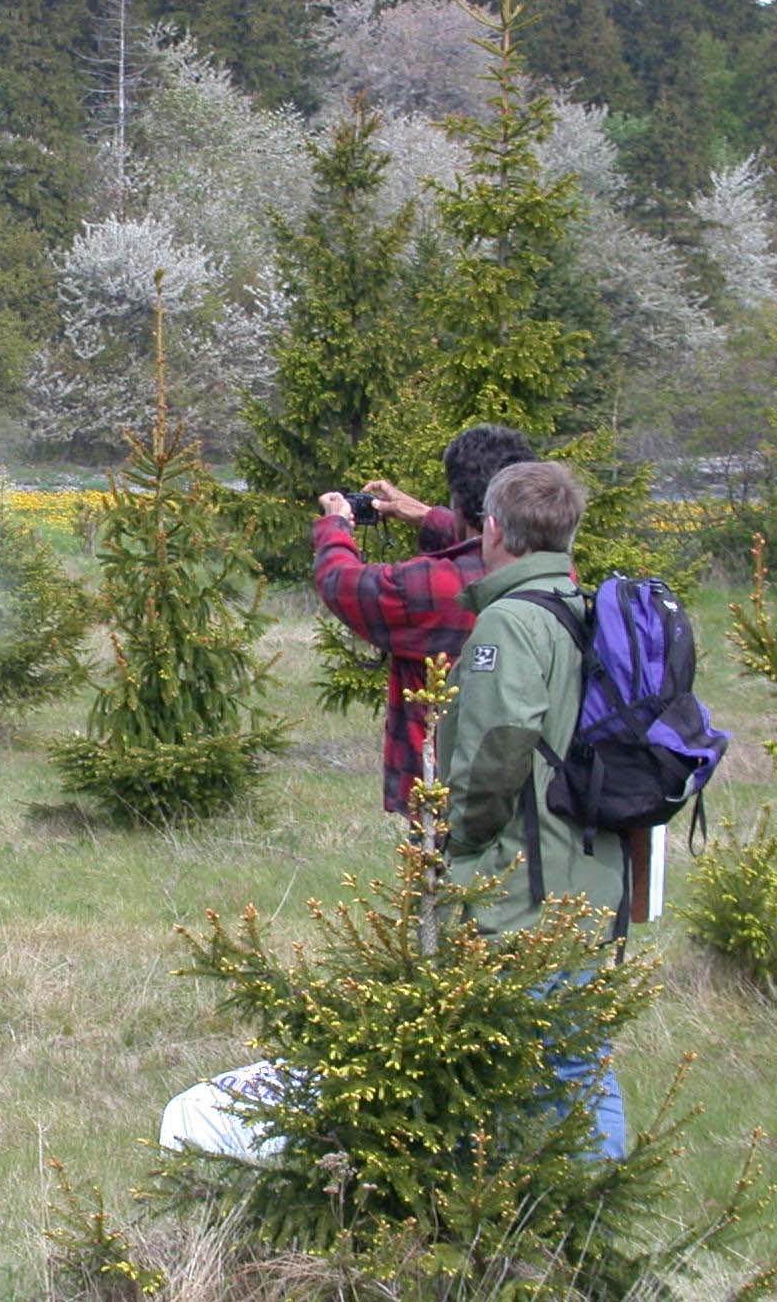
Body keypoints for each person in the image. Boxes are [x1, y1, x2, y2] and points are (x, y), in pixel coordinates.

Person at [434, 460, 626, 1159]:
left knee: (531, 1070)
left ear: (491, 529)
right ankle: (593, 1236)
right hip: (594, 881)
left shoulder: (509, 623)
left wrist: (459, 853)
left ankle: (556, 1231)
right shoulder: (585, 609)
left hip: (524, 892)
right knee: (579, 1067)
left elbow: (496, 754)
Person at [312, 424, 538, 818]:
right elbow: (487, 536)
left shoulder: (437, 585)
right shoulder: (550, 569)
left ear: (460, 499)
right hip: (530, 788)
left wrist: (336, 524)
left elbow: (341, 583)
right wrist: (427, 515)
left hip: (446, 791)